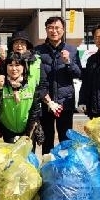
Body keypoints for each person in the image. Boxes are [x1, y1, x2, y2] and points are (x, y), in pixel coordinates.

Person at [35, 16, 81, 154]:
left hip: (65, 102)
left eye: (57, 28)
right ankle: (48, 170)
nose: (54, 31)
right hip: (45, 102)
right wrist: (46, 99)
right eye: (50, 28)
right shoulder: (38, 51)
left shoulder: (72, 50)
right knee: (47, 140)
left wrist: (68, 62)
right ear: (46, 30)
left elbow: (78, 73)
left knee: (66, 140)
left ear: (63, 30)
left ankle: (66, 171)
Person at [0, 52, 44, 147]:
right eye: (10, 65)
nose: (14, 69)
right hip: (8, 131)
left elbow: (35, 109)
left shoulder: (31, 83)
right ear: (6, 67)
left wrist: (28, 131)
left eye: (17, 65)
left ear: (23, 67)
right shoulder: (1, 83)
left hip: (28, 130)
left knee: (27, 160)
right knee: (12, 160)